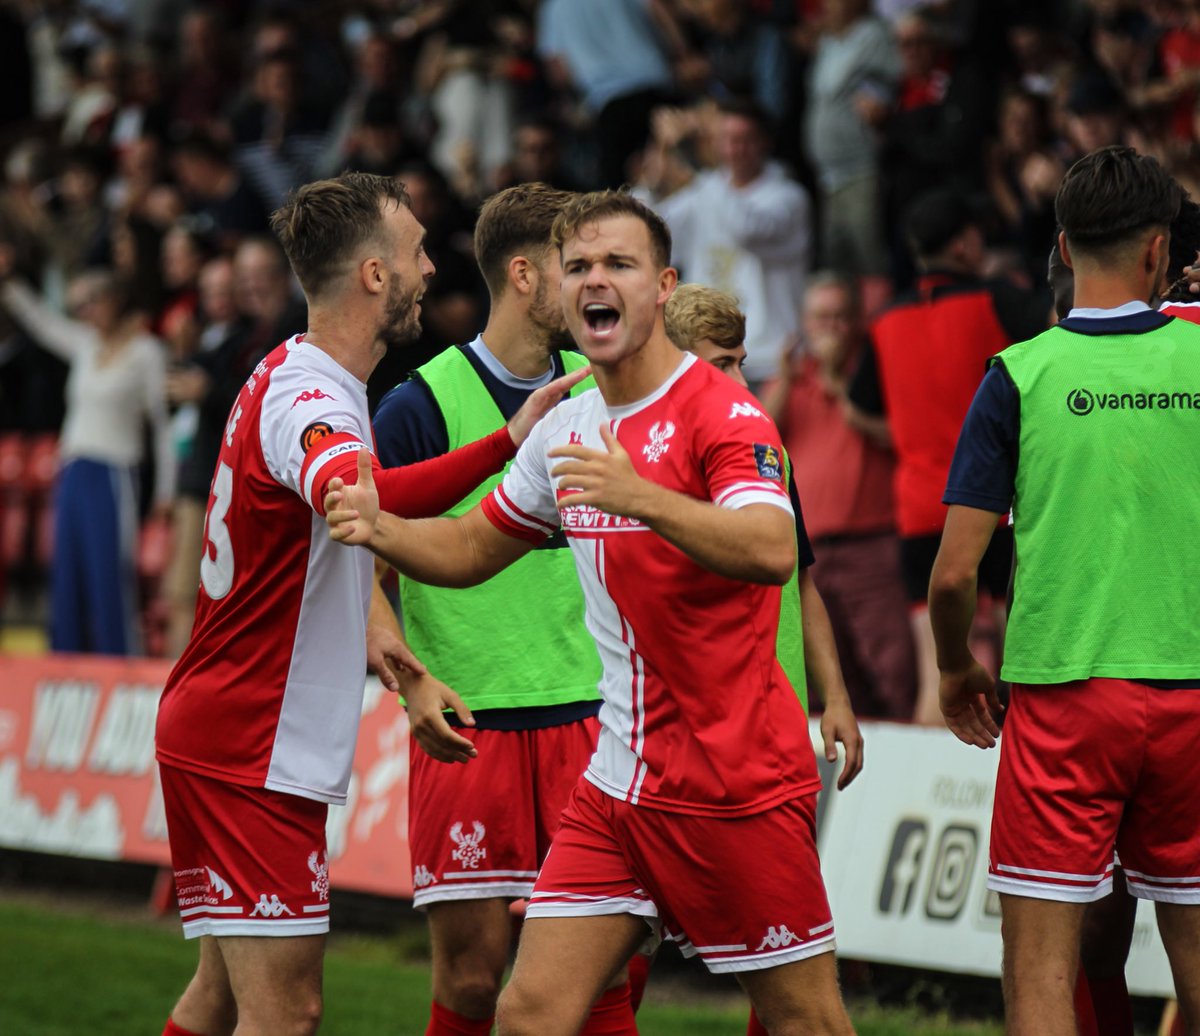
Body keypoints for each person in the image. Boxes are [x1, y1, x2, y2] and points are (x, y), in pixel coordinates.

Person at [326, 191, 855, 1035]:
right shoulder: (567, 425)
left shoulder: (725, 412)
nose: (595, 280)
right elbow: (469, 548)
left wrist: (640, 498)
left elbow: (770, 548)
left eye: (618, 264)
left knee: (808, 1024)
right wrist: (379, 524)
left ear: (662, 286)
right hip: (617, 784)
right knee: (529, 1012)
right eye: (579, 267)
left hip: (735, 786)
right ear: (560, 290)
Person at [153, 172, 587, 1036]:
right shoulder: (315, 399)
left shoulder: (292, 372)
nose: (433, 266)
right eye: (418, 249)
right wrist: (504, 444)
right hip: (250, 742)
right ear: (375, 275)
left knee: (218, 999)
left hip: (226, 728)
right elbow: (359, 502)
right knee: (287, 1014)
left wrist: (383, 649)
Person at [930, 145, 1200, 1036]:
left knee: (1040, 971)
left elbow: (955, 573)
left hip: (1065, 699)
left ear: (1062, 246)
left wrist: (954, 669)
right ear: (1160, 251)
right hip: (1191, 690)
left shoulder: (1019, 374)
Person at [371, 182, 638, 1035]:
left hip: (591, 718)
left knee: (600, 979)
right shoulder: (417, 405)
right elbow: (358, 574)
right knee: (475, 981)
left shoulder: (603, 394)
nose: (594, 285)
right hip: (473, 724)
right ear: (526, 276)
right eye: (576, 265)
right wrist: (411, 681)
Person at [663, 280, 863, 1036]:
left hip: (765, 731)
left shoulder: (759, 447)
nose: (741, 383)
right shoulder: (629, 462)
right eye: (722, 364)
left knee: (786, 959)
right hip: (661, 737)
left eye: (743, 362)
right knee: (604, 960)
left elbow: (803, 580)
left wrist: (833, 698)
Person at [846, 187, 1047, 725]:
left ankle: (927, 797)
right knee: (1017, 664)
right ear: (963, 244)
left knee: (938, 673)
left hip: (918, 513)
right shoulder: (997, 299)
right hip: (996, 507)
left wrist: (910, 434)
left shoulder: (885, 322)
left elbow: (857, 407)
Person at [759, 273, 916, 720]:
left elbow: (898, 438)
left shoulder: (873, 375)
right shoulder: (789, 380)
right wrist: (790, 382)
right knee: (824, 677)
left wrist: (835, 381)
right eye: (822, 318)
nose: (833, 328)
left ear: (858, 322)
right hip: (809, 559)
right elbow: (753, 439)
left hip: (872, 548)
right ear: (805, 324)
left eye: (842, 318)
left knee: (891, 670)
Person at [0, 260, 173, 655]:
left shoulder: (147, 352)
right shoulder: (86, 344)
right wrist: (9, 281)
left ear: (115, 300)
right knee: (67, 575)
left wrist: (164, 489)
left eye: (91, 301)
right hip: (73, 469)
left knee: (108, 577)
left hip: (114, 473)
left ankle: (118, 663)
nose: (84, 311)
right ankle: (64, 664)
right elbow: (41, 322)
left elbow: (162, 427)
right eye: (79, 304)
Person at [640, 97, 813, 388]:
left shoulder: (789, 198)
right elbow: (648, 232)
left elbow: (745, 229)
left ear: (765, 143)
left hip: (772, 362)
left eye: (745, 139)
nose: (735, 150)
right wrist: (661, 162)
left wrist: (694, 159)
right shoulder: (704, 192)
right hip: (707, 360)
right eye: (727, 140)